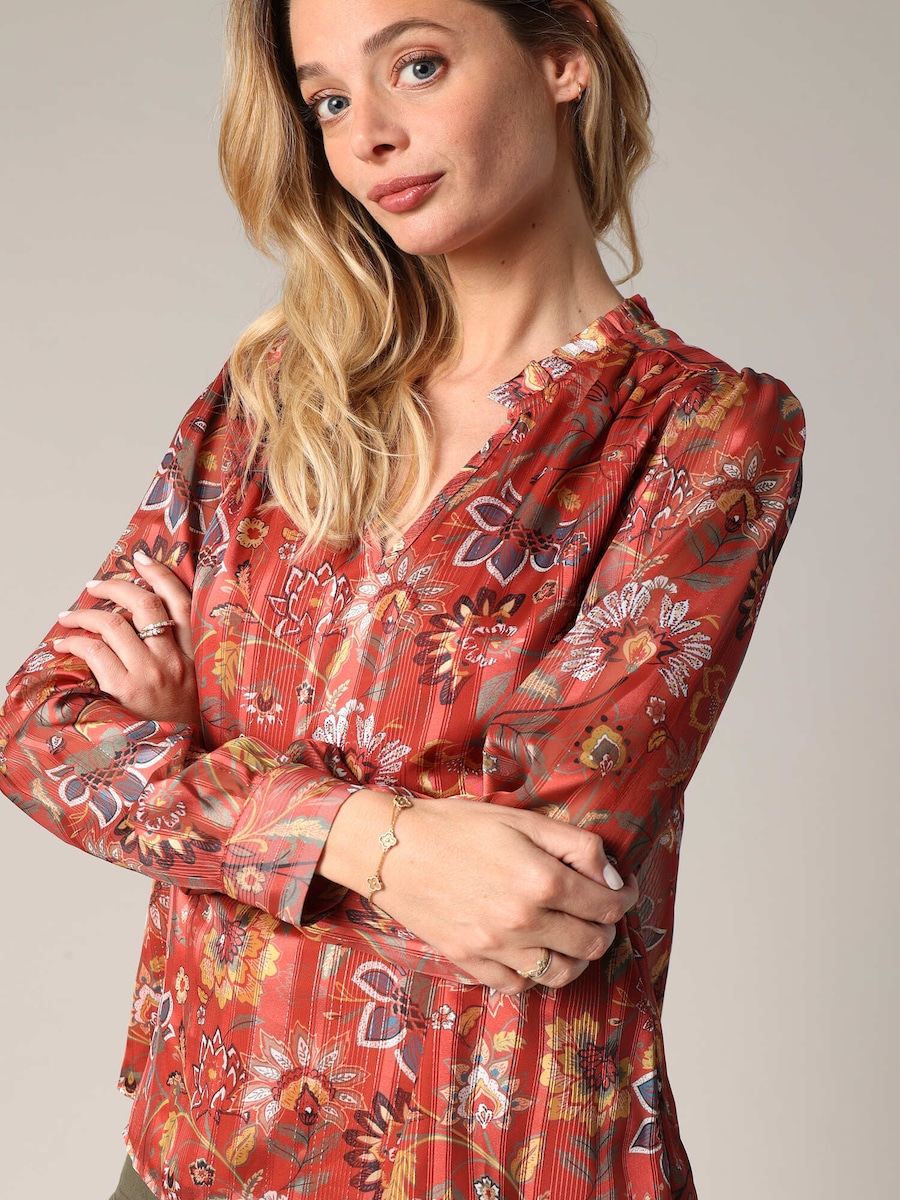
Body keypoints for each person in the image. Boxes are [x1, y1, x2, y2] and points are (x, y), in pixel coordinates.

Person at [0, 1, 806, 1197]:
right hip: (185, 1156)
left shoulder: (700, 434)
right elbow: (41, 733)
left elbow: (528, 899)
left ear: (564, 56)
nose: (367, 134)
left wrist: (192, 763)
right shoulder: (273, 400)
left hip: (489, 1159)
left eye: (417, 66)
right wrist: (380, 841)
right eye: (328, 100)